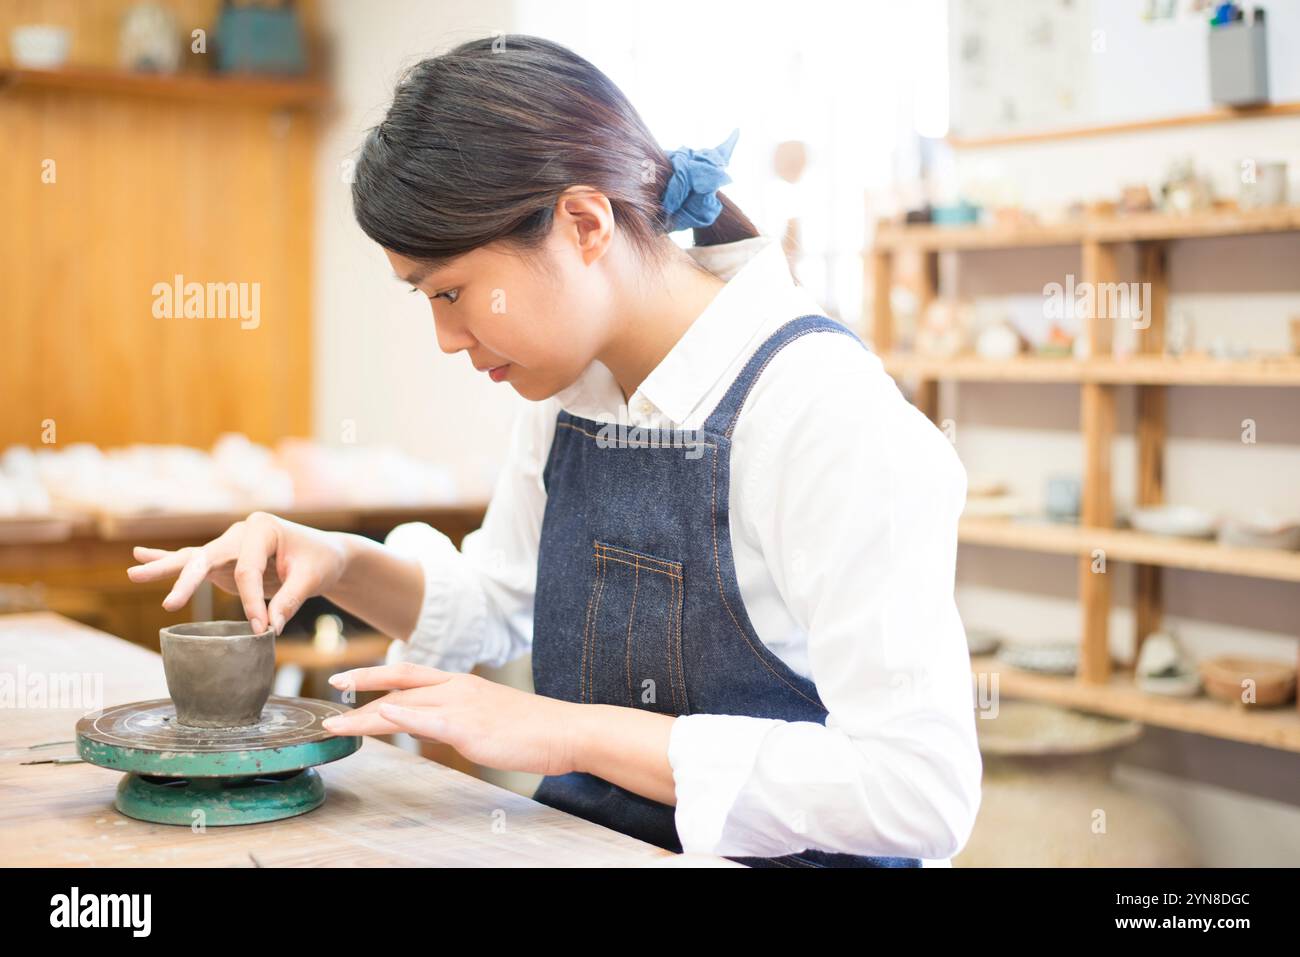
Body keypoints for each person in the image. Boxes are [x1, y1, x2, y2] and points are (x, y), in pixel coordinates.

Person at [127, 34, 981, 868]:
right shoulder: (575, 385)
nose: (447, 338)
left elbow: (919, 792)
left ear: (582, 224)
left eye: (453, 292)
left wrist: (570, 731)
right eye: (425, 298)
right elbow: (496, 597)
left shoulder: (823, 416)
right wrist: (340, 562)